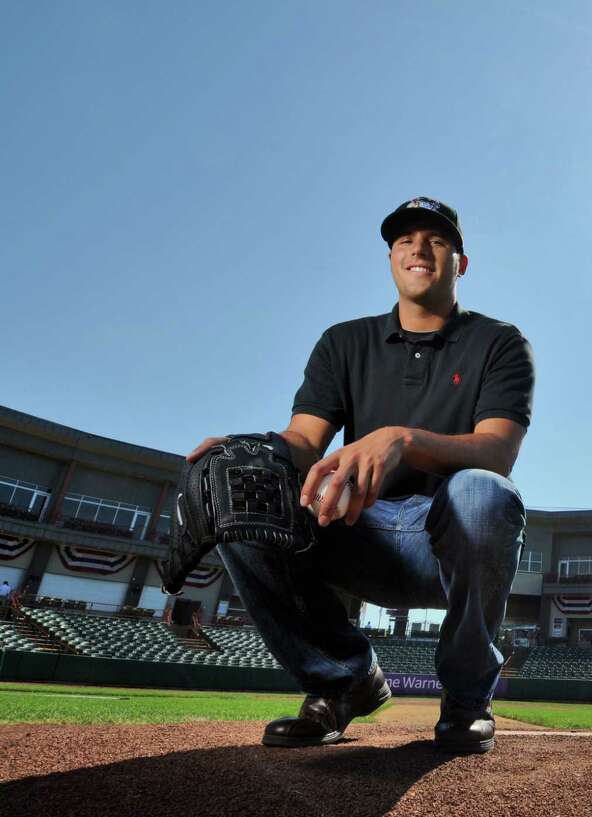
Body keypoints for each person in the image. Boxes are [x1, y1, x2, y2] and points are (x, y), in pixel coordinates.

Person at [187, 197, 534, 754]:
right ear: (392, 260)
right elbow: (302, 443)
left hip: (445, 535)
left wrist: (402, 439)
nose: (418, 249)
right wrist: (250, 448)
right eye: (404, 241)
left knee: (483, 492)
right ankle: (340, 681)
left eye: (436, 240)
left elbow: (497, 452)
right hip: (355, 527)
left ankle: (467, 700)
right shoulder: (344, 341)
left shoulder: (499, 341)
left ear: (460, 264)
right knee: (246, 490)